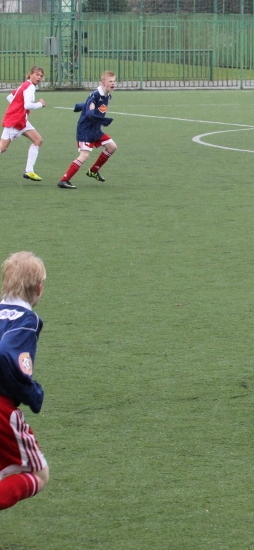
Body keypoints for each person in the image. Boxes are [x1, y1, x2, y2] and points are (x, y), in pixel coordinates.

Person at [0, 252, 49, 510]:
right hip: (1, 409)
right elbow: (7, 353)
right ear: (39, 287)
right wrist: (32, 393)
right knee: (38, 474)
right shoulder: (26, 321)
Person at [58, 71, 117, 189]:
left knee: (112, 147)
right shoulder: (95, 95)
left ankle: (93, 171)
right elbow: (90, 114)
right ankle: (64, 180)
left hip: (95, 129)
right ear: (103, 82)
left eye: (114, 81)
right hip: (85, 130)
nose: (113, 84)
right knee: (84, 155)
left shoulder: (108, 96)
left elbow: (91, 106)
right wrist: (103, 120)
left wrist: (80, 106)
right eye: (110, 81)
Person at [0, 66, 46, 182]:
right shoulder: (29, 87)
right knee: (2, 147)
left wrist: (18, 108)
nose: (39, 77)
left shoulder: (25, 84)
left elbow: (10, 97)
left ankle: (29, 171)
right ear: (30, 74)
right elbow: (28, 105)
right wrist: (40, 104)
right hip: (15, 121)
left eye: (41, 76)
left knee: (38, 140)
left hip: (21, 120)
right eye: (37, 74)